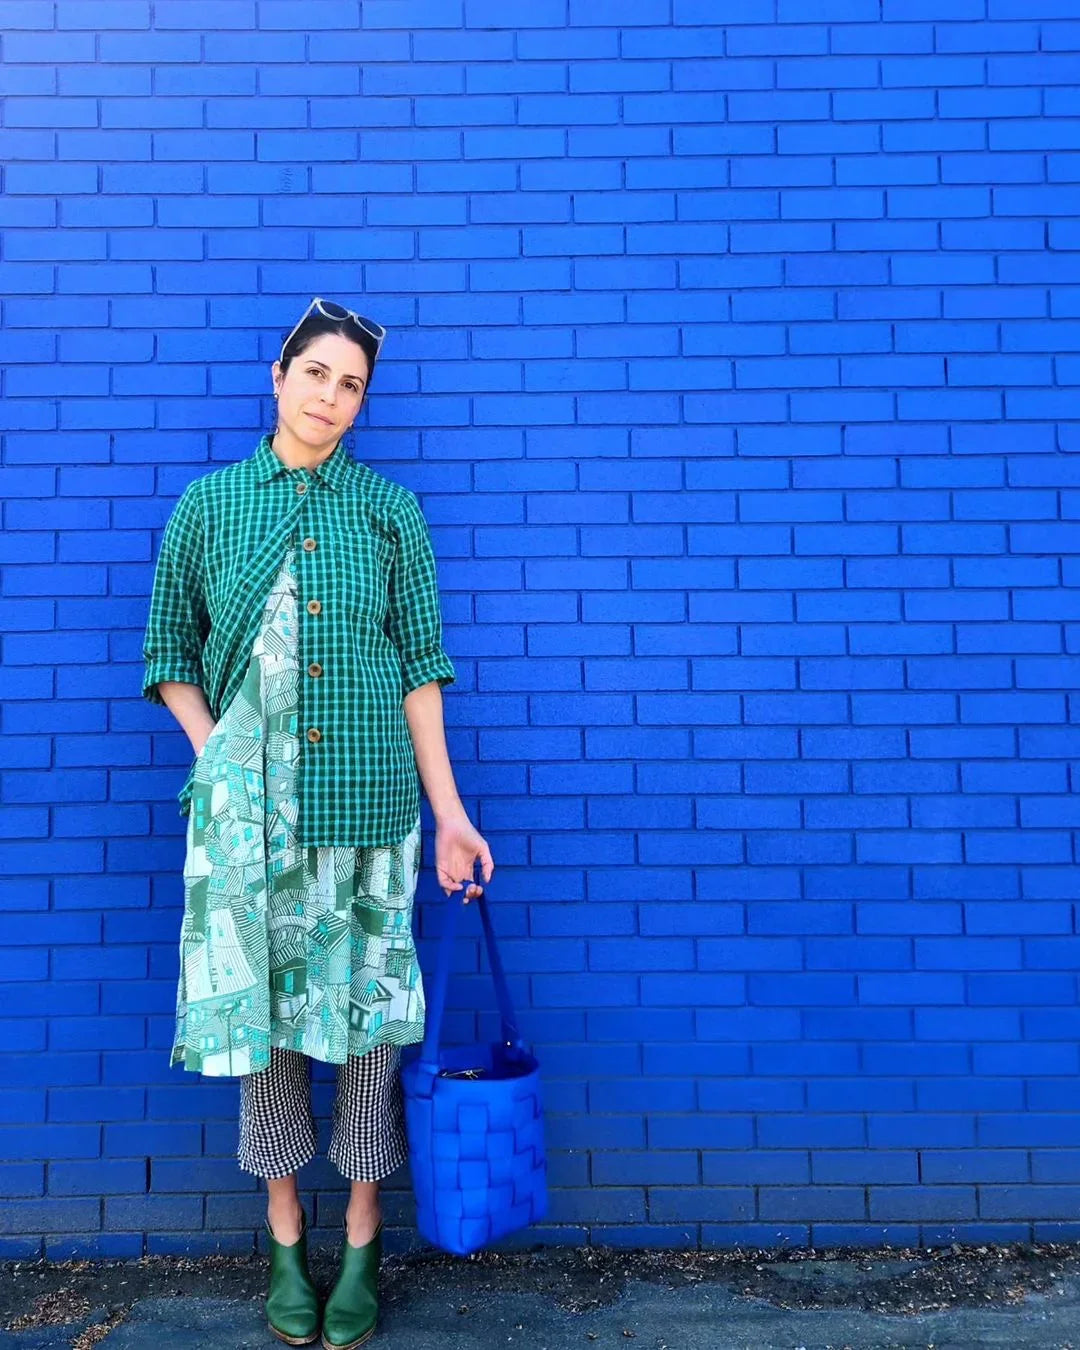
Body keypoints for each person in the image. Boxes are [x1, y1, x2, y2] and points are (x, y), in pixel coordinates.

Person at [141, 297, 494, 1349]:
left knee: (370, 1039)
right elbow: (168, 653)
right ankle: (286, 1239)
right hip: (251, 827)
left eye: (353, 387)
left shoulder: (390, 512)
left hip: (372, 810)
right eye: (318, 375)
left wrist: (452, 816)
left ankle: (363, 1235)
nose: (332, 400)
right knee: (268, 1039)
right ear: (279, 373)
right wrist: (220, 763)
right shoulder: (210, 506)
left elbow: (422, 671)